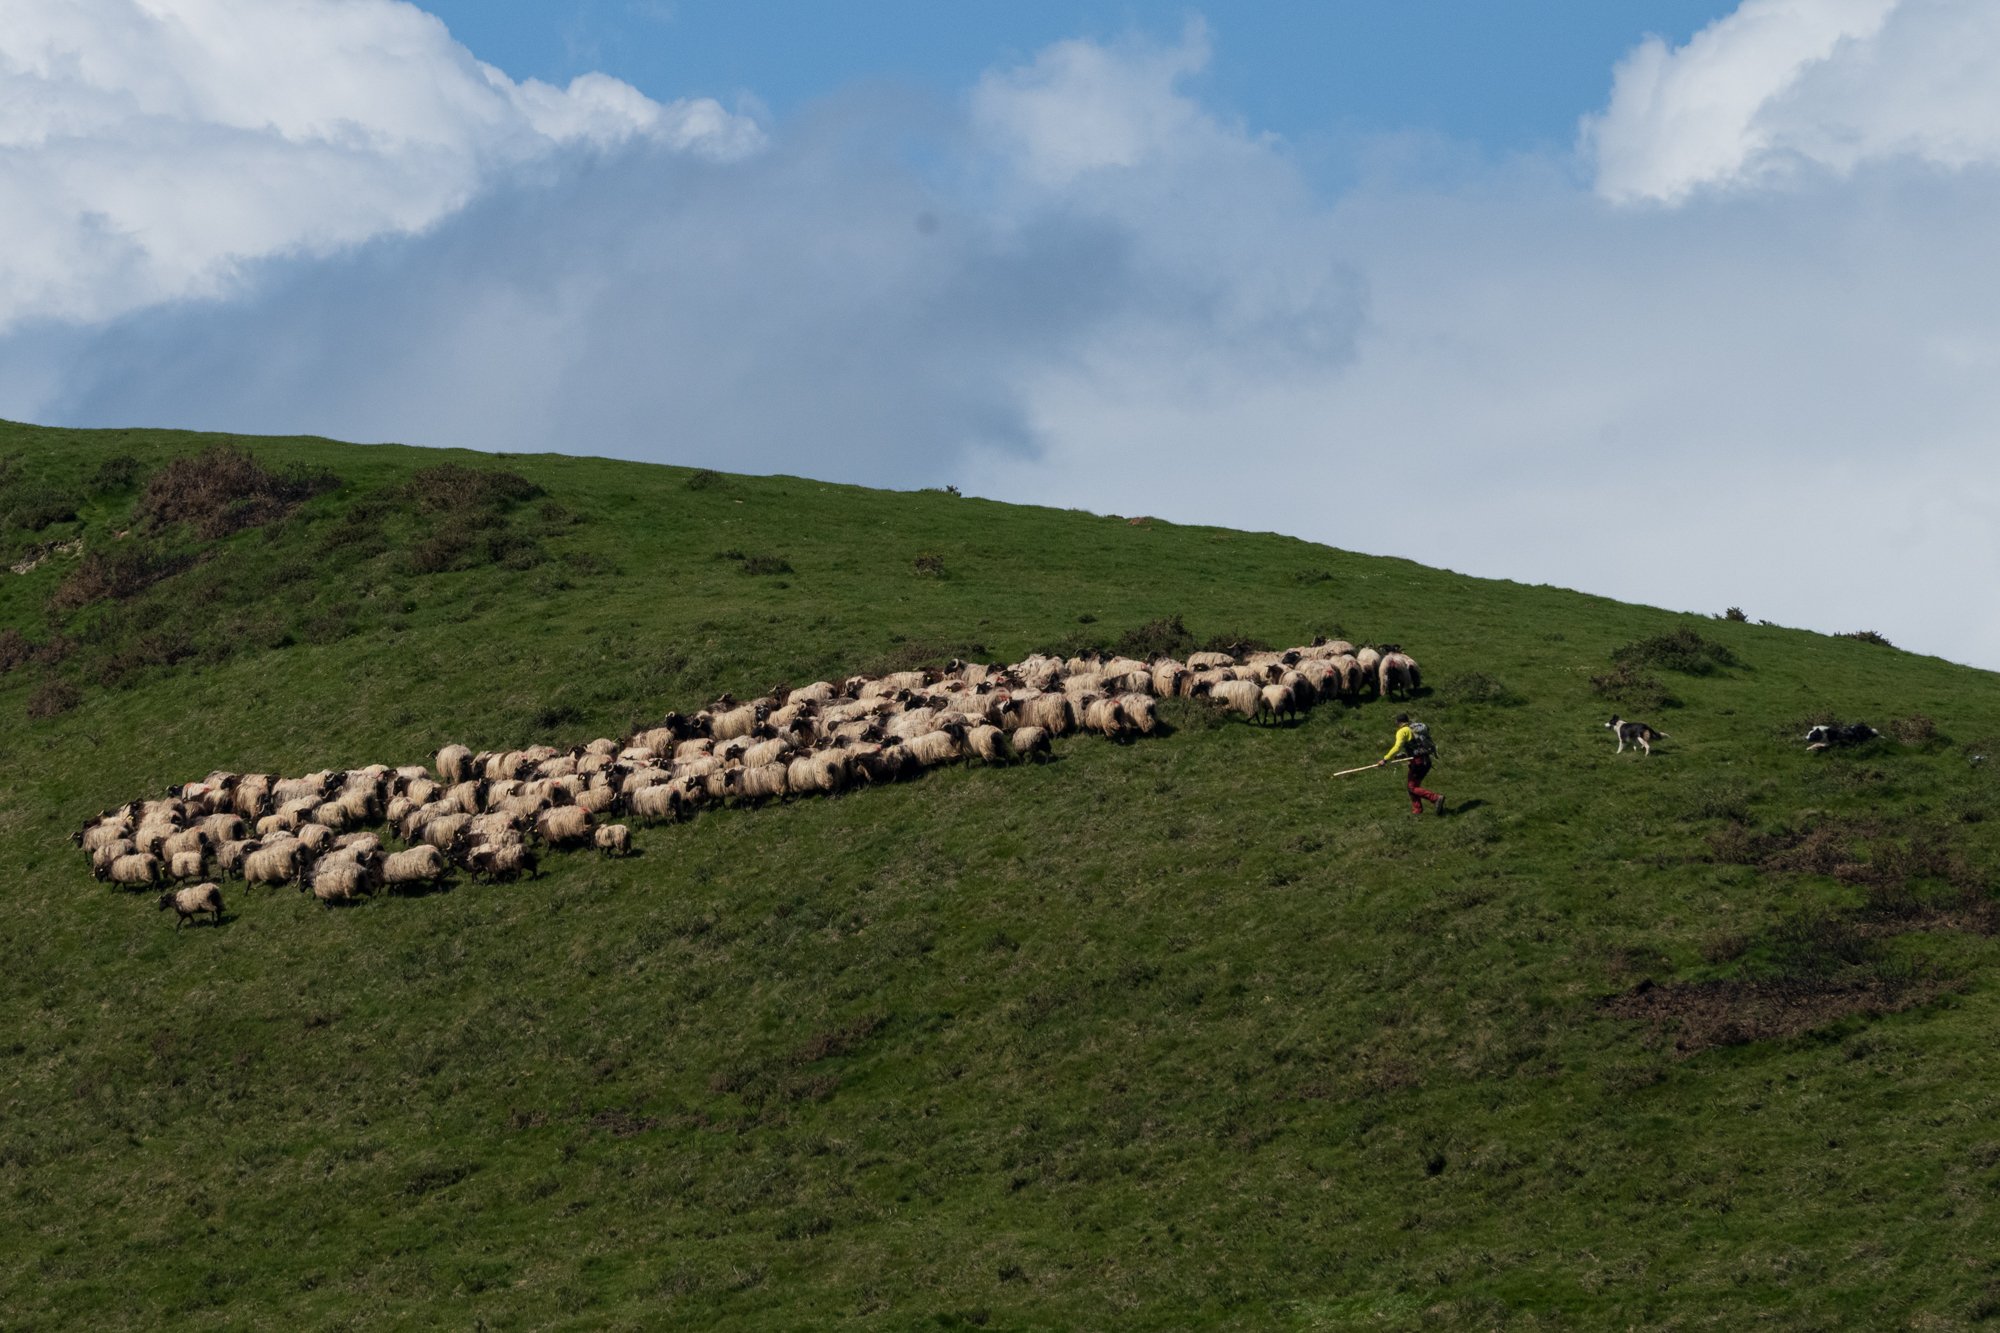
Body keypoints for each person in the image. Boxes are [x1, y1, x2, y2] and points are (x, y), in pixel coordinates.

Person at [1376, 712, 1443, 816]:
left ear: (1398, 722)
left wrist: (1385, 759)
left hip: (1418, 763)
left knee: (1412, 787)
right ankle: (1417, 810)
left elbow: (1397, 747)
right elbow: (1416, 747)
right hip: (1426, 760)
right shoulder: (1413, 729)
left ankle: (1435, 798)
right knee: (1412, 786)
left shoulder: (1402, 731)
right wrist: (1405, 755)